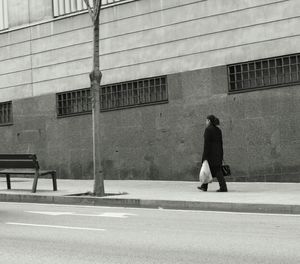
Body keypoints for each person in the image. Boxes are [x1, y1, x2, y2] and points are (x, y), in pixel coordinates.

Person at [198, 115, 228, 192]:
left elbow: (207, 145)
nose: (205, 122)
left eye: (206, 120)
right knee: (210, 169)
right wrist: (221, 155)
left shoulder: (208, 130)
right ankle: (204, 186)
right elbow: (221, 144)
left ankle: (223, 187)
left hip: (211, 155)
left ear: (209, 121)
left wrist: (204, 157)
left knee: (217, 171)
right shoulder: (218, 130)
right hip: (218, 154)